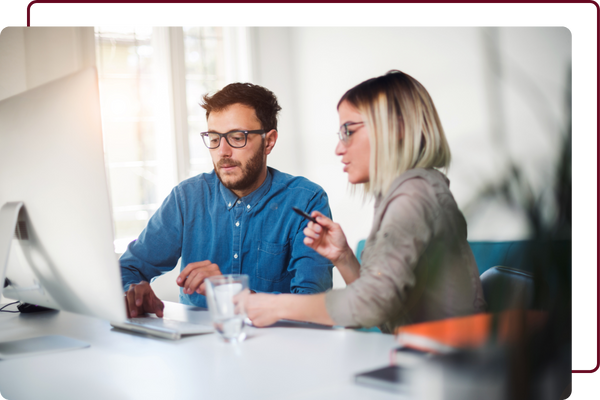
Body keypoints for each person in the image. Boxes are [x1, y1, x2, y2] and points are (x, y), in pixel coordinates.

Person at [244, 70, 487, 333]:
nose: (339, 148)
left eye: (348, 131)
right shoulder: (408, 191)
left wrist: (275, 306)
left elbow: (372, 304)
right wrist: (344, 257)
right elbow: (386, 307)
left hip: (446, 365)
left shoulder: (413, 197)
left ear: (397, 128)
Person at [120, 82, 334, 318]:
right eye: (214, 138)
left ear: (269, 141)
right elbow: (128, 268)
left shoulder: (306, 201)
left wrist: (232, 292)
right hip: (198, 348)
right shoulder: (187, 198)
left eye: (236, 137)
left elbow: (316, 307)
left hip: (276, 348)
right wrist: (133, 292)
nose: (223, 151)